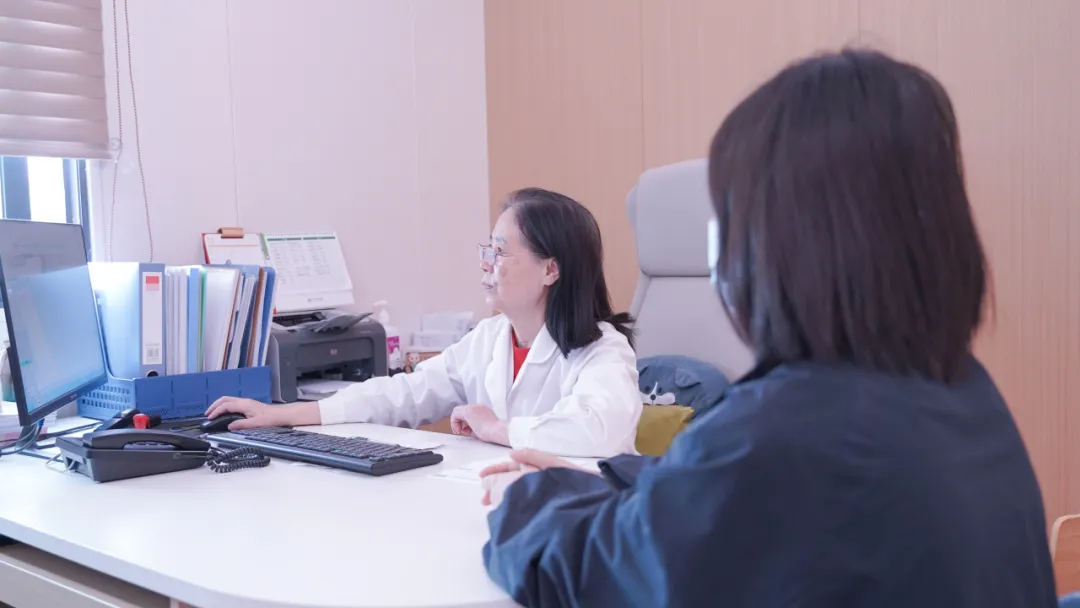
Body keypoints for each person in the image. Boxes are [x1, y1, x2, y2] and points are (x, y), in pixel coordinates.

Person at [478, 49, 1057, 606]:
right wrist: (607, 477)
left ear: (777, 241)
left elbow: (595, 574)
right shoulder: (961, 391)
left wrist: (525, 499)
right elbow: (731, 496)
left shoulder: (791, 428)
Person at [206, 188, 642, 458]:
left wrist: (496, 429)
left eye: (500, 252)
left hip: (584, 522)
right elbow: (404, 394)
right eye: (486, 250)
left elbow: (596, 431)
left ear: (551, 269)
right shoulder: (489, 339)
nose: (486, 264)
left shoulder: (603, 350)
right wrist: (285, 414)